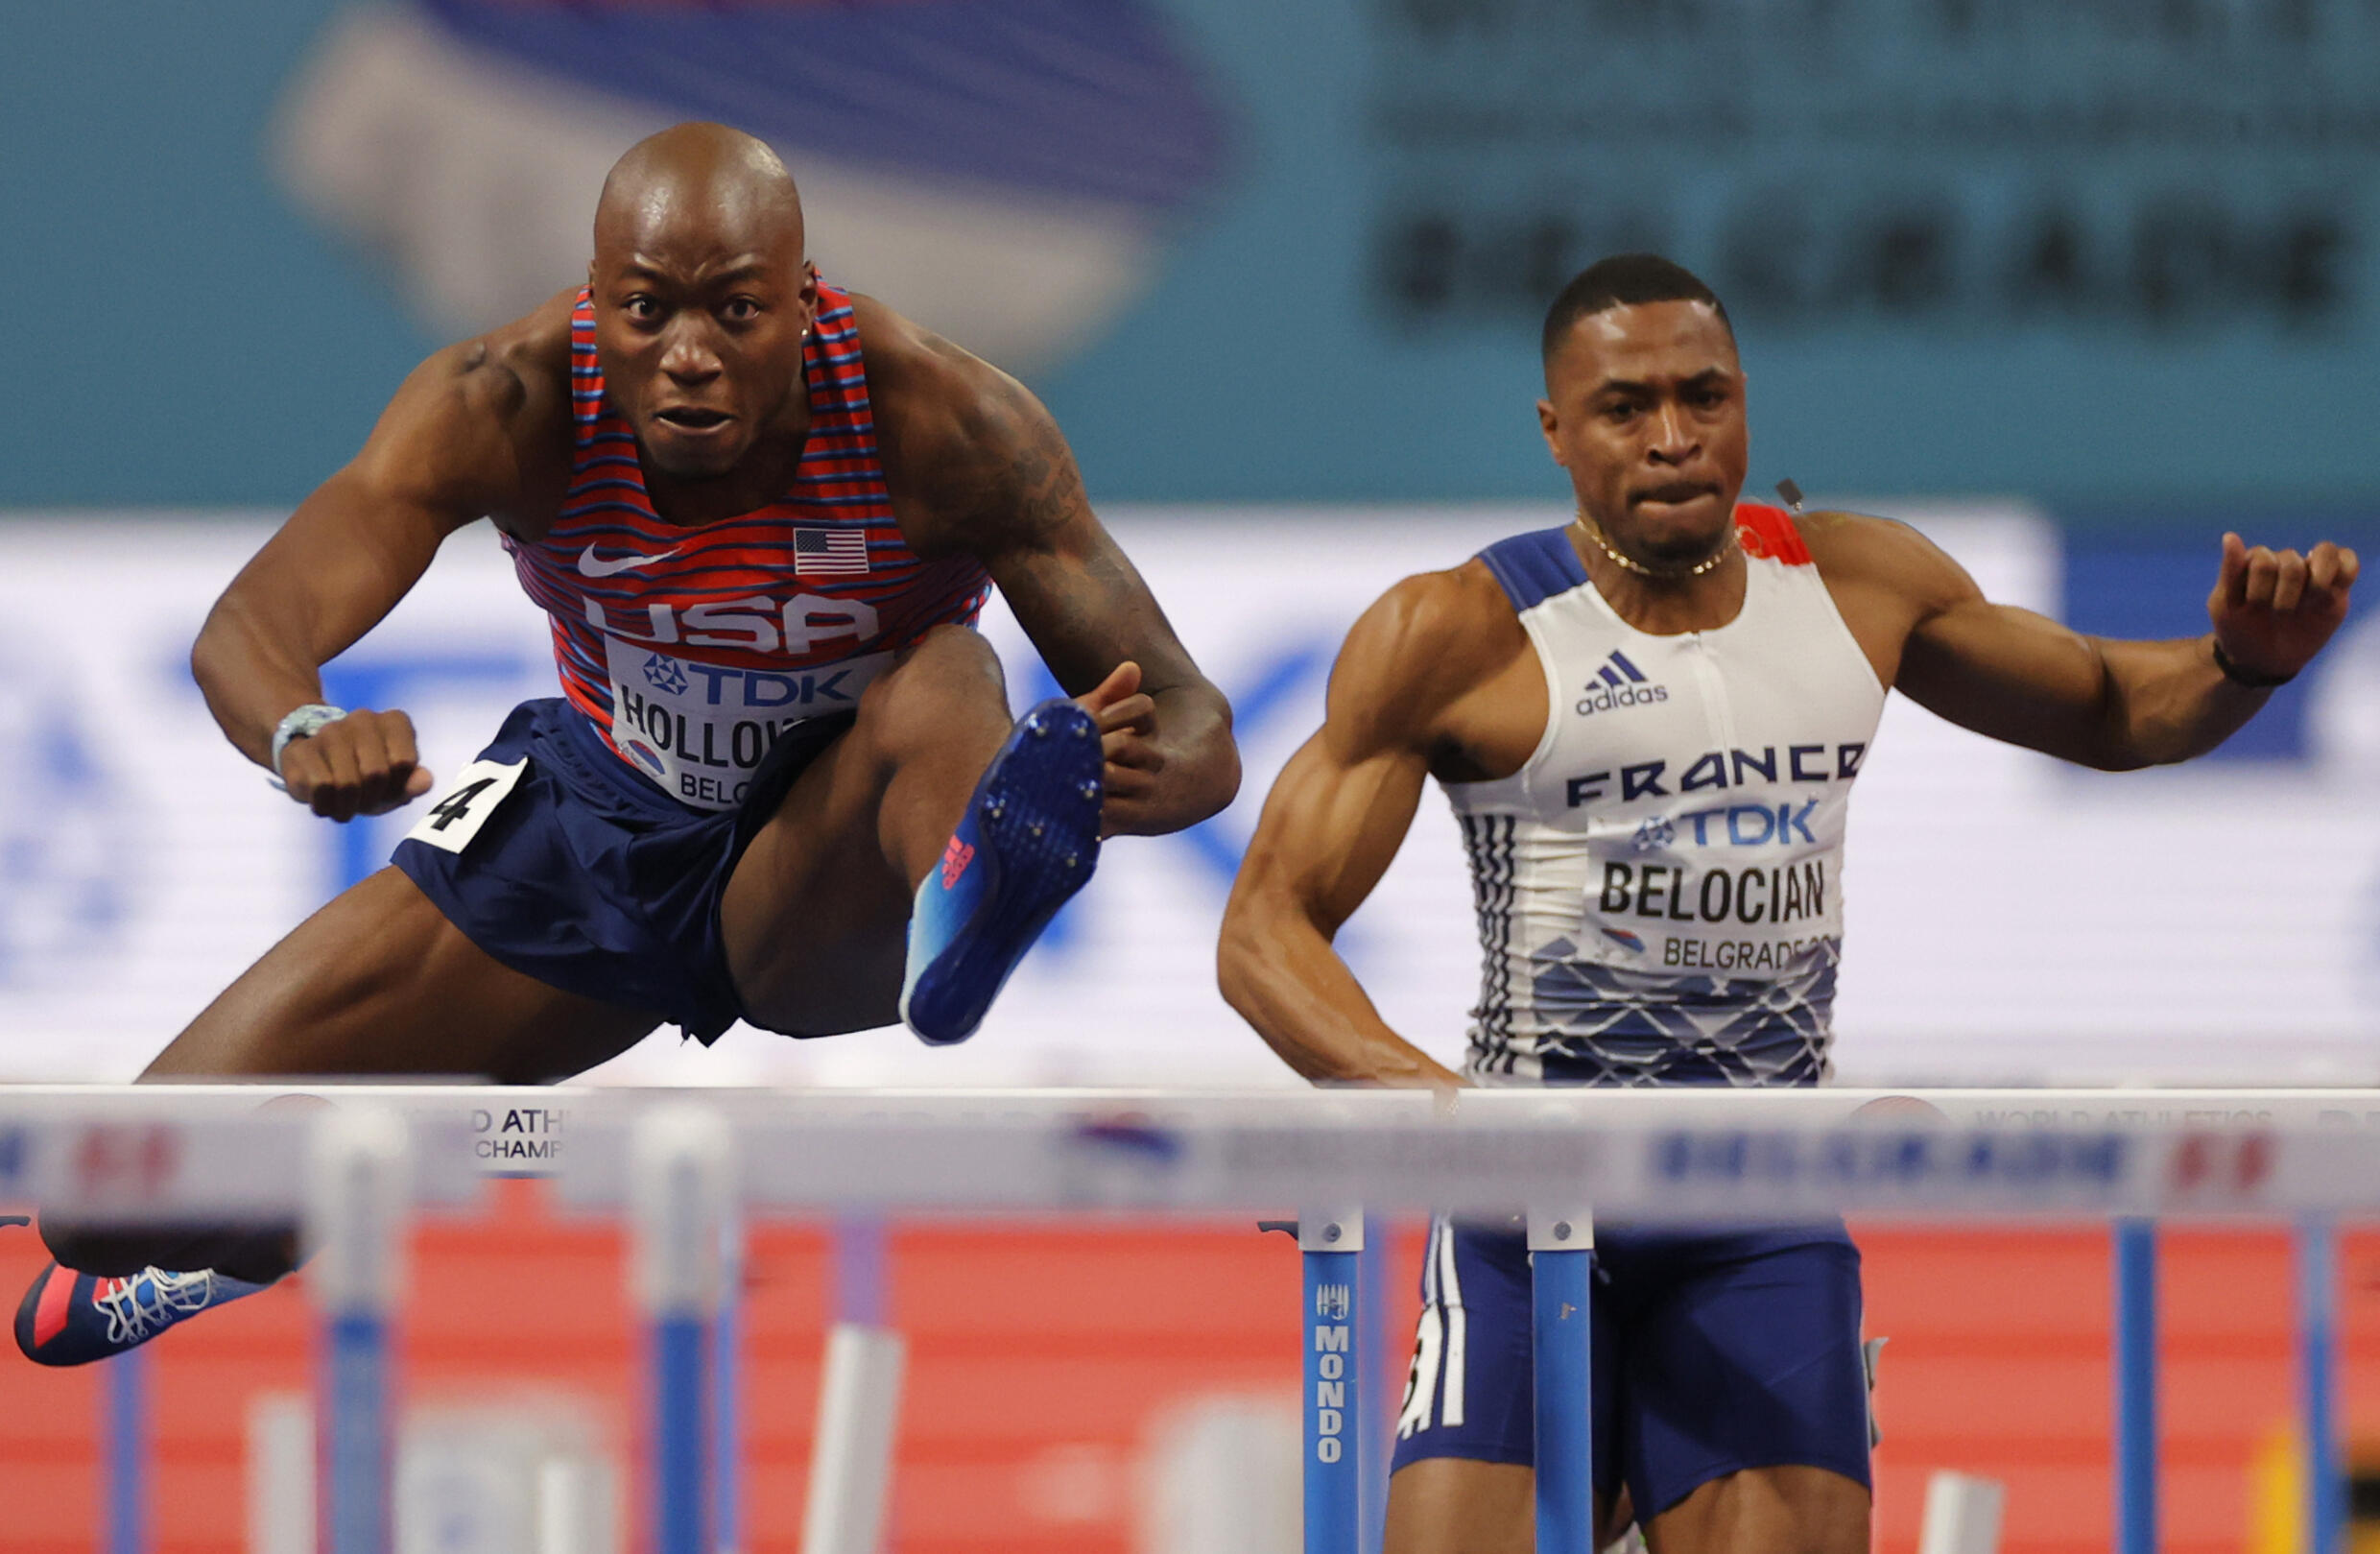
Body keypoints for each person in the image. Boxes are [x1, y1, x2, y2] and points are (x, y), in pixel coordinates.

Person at [15, 121, 1237, 1366]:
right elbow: (251, 625)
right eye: (648, 312)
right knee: (101, 1199)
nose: (691, 358)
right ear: (594, 302)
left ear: (806, 303)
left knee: (952, 677)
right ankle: (274, 1223)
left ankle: (968, 896)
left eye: (737, 314)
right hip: (587, 821)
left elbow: (1198, 728)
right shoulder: (509, 400)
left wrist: (1108, 787)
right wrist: (301, 724)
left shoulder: (945, 424)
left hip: (817, 868)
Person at [1216, 252, 2357, 1553]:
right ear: (1555, 431)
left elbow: (2104, 704)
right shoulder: (1462, 631)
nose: (1674, 439)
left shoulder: (1856, 585)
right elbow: (1263, 934)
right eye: (1625, 408)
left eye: (1706, 397)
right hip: (1526, 1212)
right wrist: (1451, 1125)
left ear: (1747, 399)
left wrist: (2238, 666)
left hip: (1758, 1207)